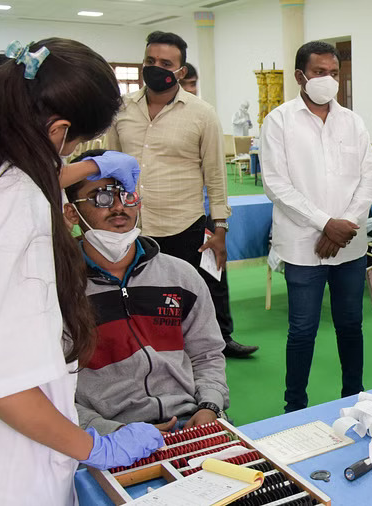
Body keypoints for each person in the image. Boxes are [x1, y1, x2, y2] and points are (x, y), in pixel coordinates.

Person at [0, 38, 162, 504]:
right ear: (57, 131)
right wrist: (93, 446)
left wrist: (91, 165)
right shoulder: (12, 203)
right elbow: (4, 385)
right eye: (77, 145)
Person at [108, 31, 258, 358]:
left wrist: (220, 227)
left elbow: (215, 174)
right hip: (135, 225)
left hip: (185, 224)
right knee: (142, 297)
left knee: (202, 289)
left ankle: (216, 343)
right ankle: (149, 353)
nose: (155, 67)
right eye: (150, 61)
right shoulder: (121, 109)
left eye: (165, 63)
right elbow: (112, 166)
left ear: (181, 71)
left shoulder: (202, 113)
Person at [63, 156, 229, 435]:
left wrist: (210, 405)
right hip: (110, 436)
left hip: (190, 419)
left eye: (127, 195)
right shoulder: (60, 291)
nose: (118, 207)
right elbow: (54, 389)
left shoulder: (180, 276)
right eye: (100, 197)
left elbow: (207, 353)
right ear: (71, 213)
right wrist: (108, 431)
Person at [261, 41, 372, 412]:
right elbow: (276, 184)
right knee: (302, 330)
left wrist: (347, 224)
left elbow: (370, 175)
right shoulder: (279, 121)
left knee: (350, 325)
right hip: (301, 244)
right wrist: (326, 223)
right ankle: (294, 405)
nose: (328, 79)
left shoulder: (352, 121)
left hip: (350, 244)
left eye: (334, 72)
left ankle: (355, 398)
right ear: (300, 75)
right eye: (319, 72)